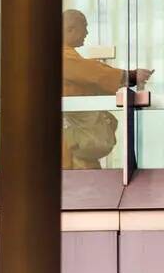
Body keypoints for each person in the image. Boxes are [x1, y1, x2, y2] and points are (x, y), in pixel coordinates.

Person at [62, 9, 153, 169]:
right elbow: (91, 72)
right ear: (71, 29)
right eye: (85, 27)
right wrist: (130, 77)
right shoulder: (62, 57)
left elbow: (91, 81)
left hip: (80, 149)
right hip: (72, 146)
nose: (87, 32)